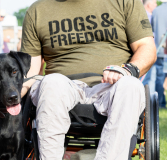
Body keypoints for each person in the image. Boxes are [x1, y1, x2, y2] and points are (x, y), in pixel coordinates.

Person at [20, 0, 156, 159]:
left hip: (112, 86)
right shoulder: (38, 10)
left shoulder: (125, 2)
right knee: (50, 82)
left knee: (131, 85)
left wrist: (127, 70)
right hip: (62, 87)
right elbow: (31, 70)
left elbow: (146, 47)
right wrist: (6, 98)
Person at [149, 0, 167, 108]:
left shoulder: (156, 11)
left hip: (159, 50)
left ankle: (161, 102)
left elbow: (152, 29)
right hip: (163, 49)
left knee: (159, 77)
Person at [141, 0, 157, 85]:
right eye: (154, 3)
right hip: (145, 51)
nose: (156, 5)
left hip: (148, 50)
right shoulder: (145, 16)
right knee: (145, 79)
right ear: (149, 5)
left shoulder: (149, 15)